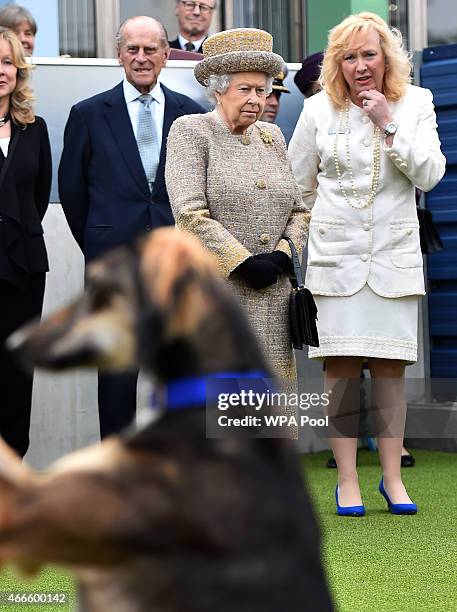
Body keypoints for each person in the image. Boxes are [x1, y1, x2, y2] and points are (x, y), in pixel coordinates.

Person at [288, 12, 445, 516]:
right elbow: (299, 187)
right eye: (349, 57)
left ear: (386, 58)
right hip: (335, 261)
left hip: (393, 259)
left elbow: (431, 174)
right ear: (338, 63)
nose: (360, 66)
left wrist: (386, 121)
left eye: (369, 55)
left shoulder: (416, 102)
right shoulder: (315, 109)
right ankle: (349, 481)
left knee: (391, 370)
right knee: (340, 371)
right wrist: (315, 234)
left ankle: (393, 479)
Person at [58, 16, 204, 439]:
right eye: (132, 50)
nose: (141, 58)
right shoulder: (87, 114)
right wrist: (99, 242)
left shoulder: (190, 114)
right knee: (118, 382)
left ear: (165, 54)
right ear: (119, 54)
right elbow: (72, 193)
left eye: (151, 49)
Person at [165, 28, 309, 385]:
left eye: (262, 90)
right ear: (217, 89)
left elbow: (299, 210)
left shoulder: (272, 136)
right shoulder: (192, 131)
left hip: (274, 295)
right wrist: (242, 262)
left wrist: (282, 254)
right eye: (244, 89)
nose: (256, 100)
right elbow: (189, 212)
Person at [0, 27, 51, 457]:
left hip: (23, 270)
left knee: (17, 378)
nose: (1, 71)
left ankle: (11, 482)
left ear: (19, 69)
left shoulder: (36, 129)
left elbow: (38, 198)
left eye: (6, 62)